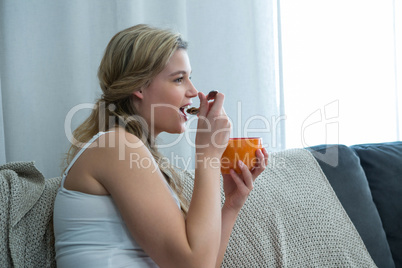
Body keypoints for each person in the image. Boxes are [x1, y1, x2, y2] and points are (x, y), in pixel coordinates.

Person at [53, 24, 268, 268]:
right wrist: (207, 154)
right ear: (139, 87)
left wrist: (231, 204)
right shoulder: (116, 145)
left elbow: (202, 261)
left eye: (190, 77)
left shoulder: (130, 150)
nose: (193, 91)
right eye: (179, 79)